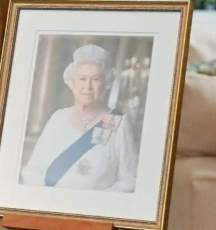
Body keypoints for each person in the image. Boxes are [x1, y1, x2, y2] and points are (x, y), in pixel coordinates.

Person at [20, 44, 138, 192]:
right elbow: (32, 171)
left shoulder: (119, 123)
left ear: (106, 83)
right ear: (72, 82)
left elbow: (129, 180)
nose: (87, 86)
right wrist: (47, 199)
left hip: (93, 211)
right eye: (82, 79)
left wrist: (95, 203)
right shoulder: (58, 118)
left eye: (96, 79)